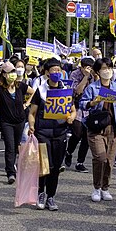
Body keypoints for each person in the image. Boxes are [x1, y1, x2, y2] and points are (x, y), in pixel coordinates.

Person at [27, 59, 76, 211]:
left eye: (58, 70)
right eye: (53, 70)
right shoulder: (40, 91)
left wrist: (71, 117)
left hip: (60, 133)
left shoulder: (66, 91)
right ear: (47, 73)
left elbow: (73, 110)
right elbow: (32, 113)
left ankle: (51, 196)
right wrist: (31, 126)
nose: (56, 73)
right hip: (43, 133)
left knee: (55, 167)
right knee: (44, 165)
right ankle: (41, 193)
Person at [79, 58, 116, 202]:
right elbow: (82, 104)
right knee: (100, 158)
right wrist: (93, 102)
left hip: (113, 128)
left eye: (109, 68)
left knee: (109, 161)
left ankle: (105, 188)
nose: (107, 71)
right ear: (98, 71)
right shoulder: (92, 87)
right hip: (96, 128)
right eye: (104, 68)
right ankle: (96, 187)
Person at [0, 62, 33, 185]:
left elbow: (33, 92)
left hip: (20, 121)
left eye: (13, 71)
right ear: (4, 75)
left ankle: (17, 166)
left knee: (17, 145)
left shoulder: (20, 86)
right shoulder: (0, 88)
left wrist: (26, 104)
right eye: (8, 72)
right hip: (6, 122)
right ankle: (10, 172)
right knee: (10, 147)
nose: (11, 74)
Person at [65, 57, 94, 173]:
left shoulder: (94, 75)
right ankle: (69, 151)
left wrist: (93, 77)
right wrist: (86, 77)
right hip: (76, 107)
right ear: (81, 67)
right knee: (77, 133)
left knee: (87, 136)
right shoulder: (75, 74)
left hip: (89, 108)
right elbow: (77, 91)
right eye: (86, 68)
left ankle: (80, 162)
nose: (89, 70)